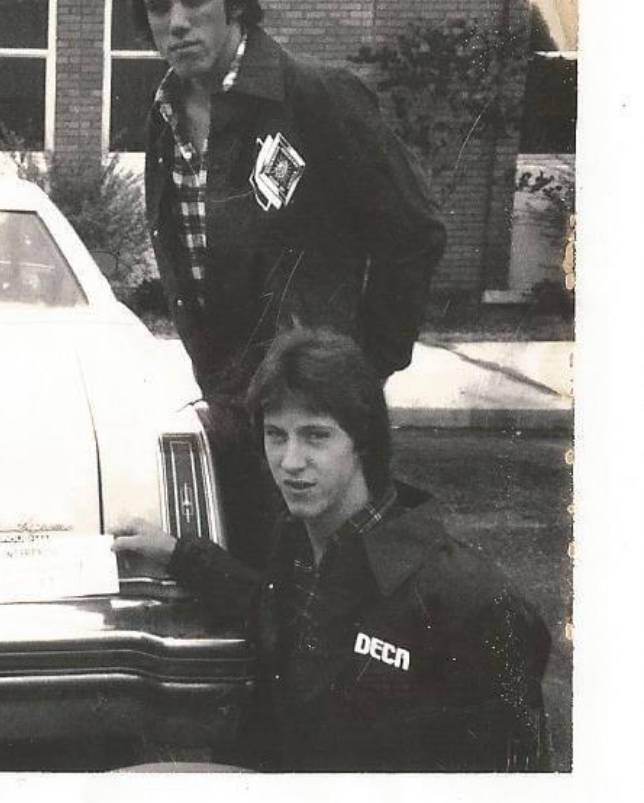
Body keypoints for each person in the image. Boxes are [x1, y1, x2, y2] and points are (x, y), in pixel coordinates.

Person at [130, 0, 447, 566]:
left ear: (238, 2)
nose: (177, 22)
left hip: (318, 418)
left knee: (342, 600)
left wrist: (360, 369)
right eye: (158, 6)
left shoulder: (315, 97)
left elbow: (413, 231)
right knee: (256, 595)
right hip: (233, 415)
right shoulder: (162, 118)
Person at [111, 328, 551, 771]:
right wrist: (176, 552)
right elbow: (269, 608)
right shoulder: (297, 542)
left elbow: (514, 781)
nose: (290, 461)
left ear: (362, 441)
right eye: (276, 435)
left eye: (316, 435)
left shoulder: (470, 601)